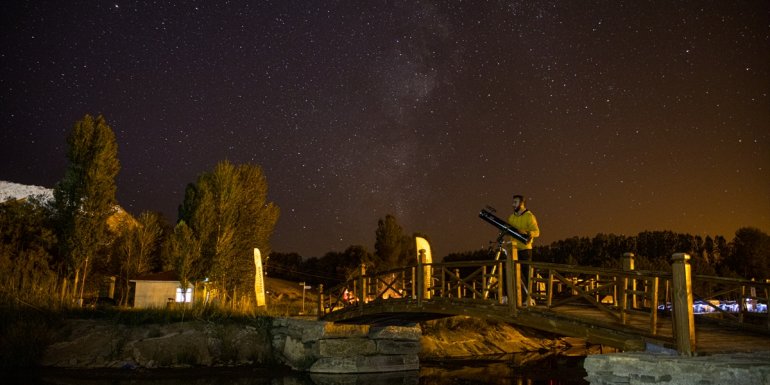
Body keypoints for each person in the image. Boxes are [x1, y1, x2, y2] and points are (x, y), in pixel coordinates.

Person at [508, 194, 540, 303]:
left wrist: (527, 233)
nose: (513, 204)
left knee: (527, 275)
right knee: (512, 274)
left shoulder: (529, 216)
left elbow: (537, 232)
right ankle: (514, 298)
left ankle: (530, 299)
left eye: (515, 202)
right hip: (513, 250)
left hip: (525, 250)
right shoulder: (511, 217)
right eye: (513, 202)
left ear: (521, 203)